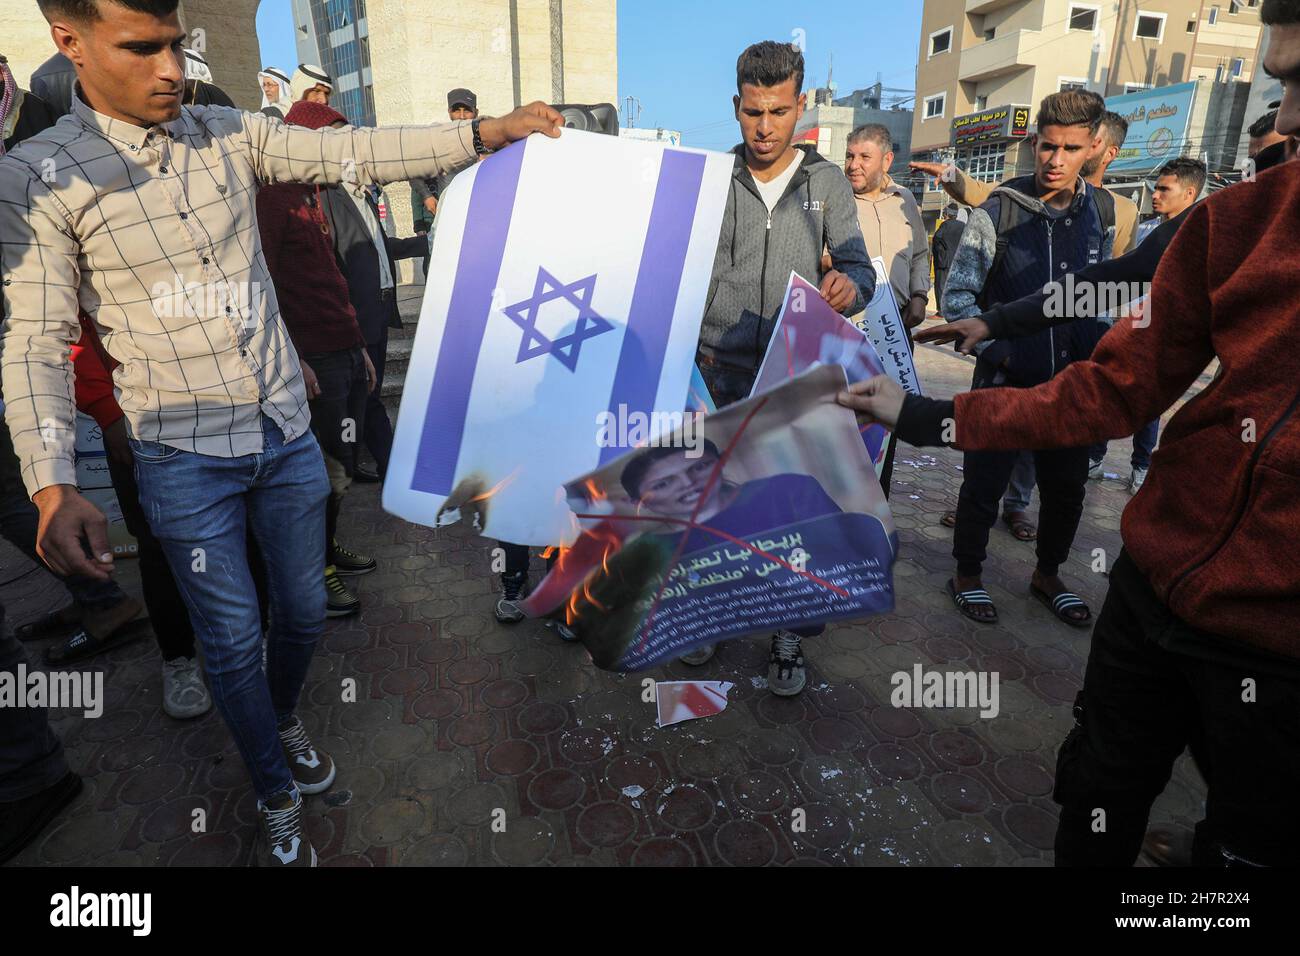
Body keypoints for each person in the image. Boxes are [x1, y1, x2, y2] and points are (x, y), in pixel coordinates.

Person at [1, 0, 563, 867]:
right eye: (141, 49)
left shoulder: (228, 131)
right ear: (68, 42)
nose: (172, 70)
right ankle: (269, 780)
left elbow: (352, 151)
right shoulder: (38, 176)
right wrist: (50, 481)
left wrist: (485, 132)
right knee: (229, 639)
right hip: (181, 459)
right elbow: (33, 341)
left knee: (302, 612)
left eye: (177, 45)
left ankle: (280, 714)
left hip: (286, 433)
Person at [839, 2, 1300, 867]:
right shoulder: (1238, 224)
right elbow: (1106, 320)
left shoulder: (1114, 208)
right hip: (1148, 593)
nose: (1288, 125)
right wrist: (968, 363)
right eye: (1282, 85)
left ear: (1098, 151)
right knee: (1096, 797)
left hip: (1276, 655)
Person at [691, 39, 875, 694]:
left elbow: (857, 266)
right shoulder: (710, 180)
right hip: (713, 370)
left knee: (791, 512)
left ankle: (787, 634)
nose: (764, 127)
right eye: (751, 112)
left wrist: (851, 286)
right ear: (735, 107)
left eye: (777, 111)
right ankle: (707, 616)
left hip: (793, 372)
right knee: (712, 505)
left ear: (800, 105)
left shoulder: (826, 183)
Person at [938, 90, 1114, 629]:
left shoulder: (1098, 213)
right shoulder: (998, 210)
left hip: (1071, 389)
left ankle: (1047, 576)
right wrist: (1005, 352)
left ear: (1095, 147)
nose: (1055, 159)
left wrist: (1095, 356)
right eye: (1047, 146)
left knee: (1066, 492)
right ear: (1034, 142)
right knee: (982, 486)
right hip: (1003, 384)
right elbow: (958, 298)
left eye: (1070, 148)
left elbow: (1101, 295)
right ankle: (967, 576)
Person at [305, 109, 428, 484]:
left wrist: (423, 243)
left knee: (367, 397)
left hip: (378, 307)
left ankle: (375, 463)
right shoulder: (327, 198)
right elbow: (335, 259)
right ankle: (376, 465)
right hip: (354, 315)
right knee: (365, 397)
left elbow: (376, 247)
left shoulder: (363, 195)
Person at [1090, 157, 1206, 491]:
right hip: (1126, 326)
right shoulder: (1145, 231)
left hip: (1164, 335)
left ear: (1189, 193)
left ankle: (1141, 466)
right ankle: (1095, 457)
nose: (1155, 195)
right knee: (1109, 394)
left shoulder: (1197, 236)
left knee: (1149, 405)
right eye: (1155, 188)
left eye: (1163, 189)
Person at [911, 102, 1136, 256]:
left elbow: (1119, 279)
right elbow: (978, 191)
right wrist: (949, 174)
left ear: (1110, 153)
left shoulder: (1122, 210)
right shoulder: (1030, 189)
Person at [839, 122, 930, 498]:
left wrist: (921, 296)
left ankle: (878, 508)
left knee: (886, 425)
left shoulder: (905, 199)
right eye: (849, 155)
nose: (853, 165)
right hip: (849, 335)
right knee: (846, 426)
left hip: (895, 336)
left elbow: (921, 253)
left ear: (887, 159)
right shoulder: (836, 200)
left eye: (864, 156)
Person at [412, 88, 480, 277]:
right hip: (444, 221)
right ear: (449, 112)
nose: (461, 116)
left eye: (466, 110)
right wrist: (426, 197)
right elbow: (413, 170)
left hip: (475, 223)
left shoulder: (483, 139)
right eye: (455, 110)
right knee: (438, 273)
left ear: (476, 112)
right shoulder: (438, 139)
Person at [930, 204, 964, 304]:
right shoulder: (963, 225)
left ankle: (941, 312)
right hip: (958, 262)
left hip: (944, 262)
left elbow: (937, 238)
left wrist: (940, 255)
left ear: (947, 214)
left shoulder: (945, 225)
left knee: (941, 286)